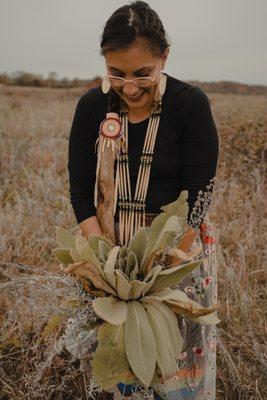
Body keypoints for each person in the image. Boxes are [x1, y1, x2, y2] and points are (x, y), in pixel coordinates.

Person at [68, 1, 219, 399]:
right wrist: (106, 269)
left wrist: (160, 273)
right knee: (117, 366)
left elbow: (198, 201)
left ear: (164, 56)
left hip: (176, 259)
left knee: (172, 368)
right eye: (116, 74)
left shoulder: (189, 106)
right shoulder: (91, 108)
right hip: (108, 255)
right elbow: (82, 195)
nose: (130, 87)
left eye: (142, 73)